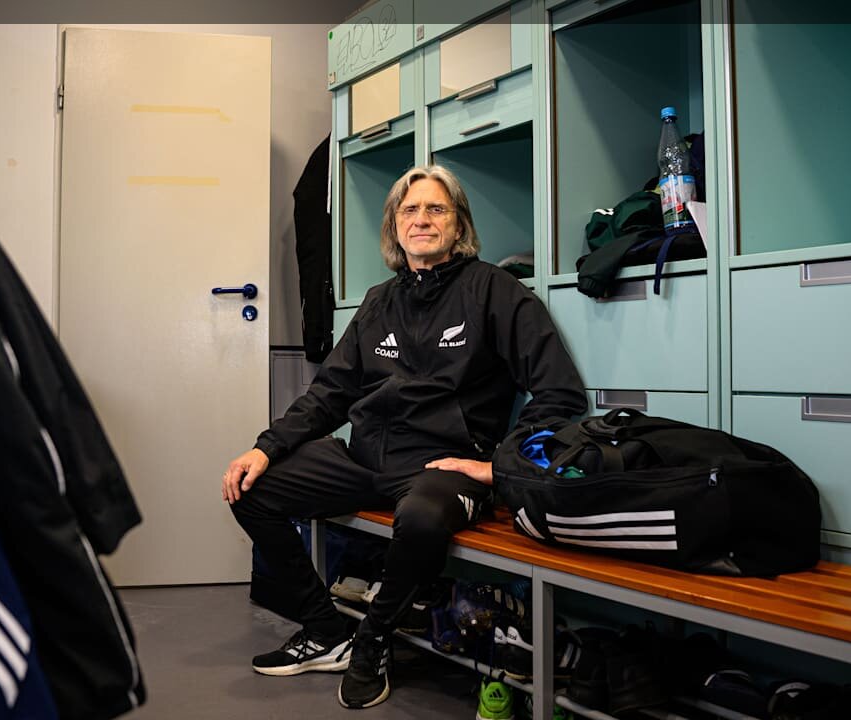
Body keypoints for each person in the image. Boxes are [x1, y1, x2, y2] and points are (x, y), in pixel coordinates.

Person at [221, 165, 587, 709]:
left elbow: (560, 393)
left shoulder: (495, 291)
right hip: (367, 458)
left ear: (459, 224)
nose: (422, 220)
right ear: (394, 226)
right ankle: (327, 630)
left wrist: (497, 468)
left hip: (443, 466)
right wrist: (265, 447)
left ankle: (373, 640)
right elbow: (329, 394)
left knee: (419, 518)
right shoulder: (378, 301)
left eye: (436, 209)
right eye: (409, 210)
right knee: (251, 489)